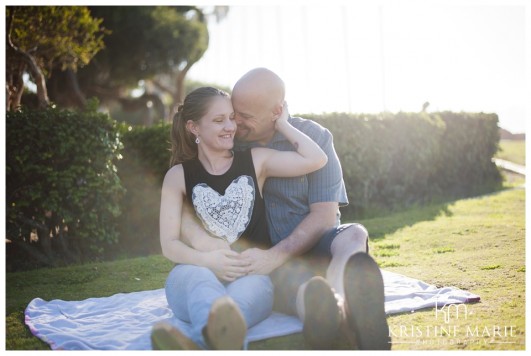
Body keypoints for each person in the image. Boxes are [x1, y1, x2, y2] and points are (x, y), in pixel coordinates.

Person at [181, 69, 391, 350]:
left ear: (276, 111)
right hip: (263, 256)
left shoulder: (314, 137)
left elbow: (325, 216)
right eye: (233, 112)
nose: (235, 121)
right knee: (306, 289)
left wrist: (276, 255)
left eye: (244, 115)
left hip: (314, 243)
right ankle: (329, 318)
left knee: (355, 235)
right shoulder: (232, 142)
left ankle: (348, 304)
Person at [153, 86, 328, 350]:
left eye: (231, 117)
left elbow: (316, 158)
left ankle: (201, 344)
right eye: (218, 120)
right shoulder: (177, 176)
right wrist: (207, 260)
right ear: (193, 127)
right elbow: (169, 245)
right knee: (200, 285)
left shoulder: (255, 161)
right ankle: (213, 340)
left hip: (250, 276)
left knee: (235, 306)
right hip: (192, 273)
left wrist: (282, 123)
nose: (230, 126)